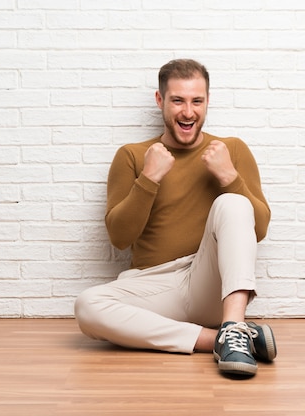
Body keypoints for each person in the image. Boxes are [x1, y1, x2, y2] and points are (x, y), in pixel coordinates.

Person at [74, 58, 276, 377]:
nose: (187, 111)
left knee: (234, 203)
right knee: (87, 306)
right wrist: (149, 180)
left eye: (197, 101)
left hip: (206, 280)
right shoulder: (133, 155)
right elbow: (119, 237)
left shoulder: (232, 150)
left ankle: (234, 324)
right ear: (160, 101)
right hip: (153, 286)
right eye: (177, 100)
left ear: (208, 101)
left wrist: (229, 177)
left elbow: (259, 229)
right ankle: (225, 340)